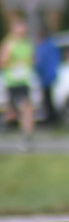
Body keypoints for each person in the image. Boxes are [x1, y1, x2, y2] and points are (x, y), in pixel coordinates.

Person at [1, 16, 36, 149]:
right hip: (12, 82)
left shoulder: (27, 43)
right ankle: (5, 124)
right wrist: (13, 62)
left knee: (27, 108)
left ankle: (27, 137)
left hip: (24, 81)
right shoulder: (9, 43)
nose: (22, 32)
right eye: (20, 29)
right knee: (12, 114)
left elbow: (31, 60)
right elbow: (3, 62)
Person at [34, 22, 61, 126]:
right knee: (46, 99)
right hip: (43, 77)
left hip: (48, 76)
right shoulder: (42, 45)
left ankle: (52, 119)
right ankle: (49, 117)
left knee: (49, 99)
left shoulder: (48, 45)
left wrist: (51, 74)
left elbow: (48, 61)